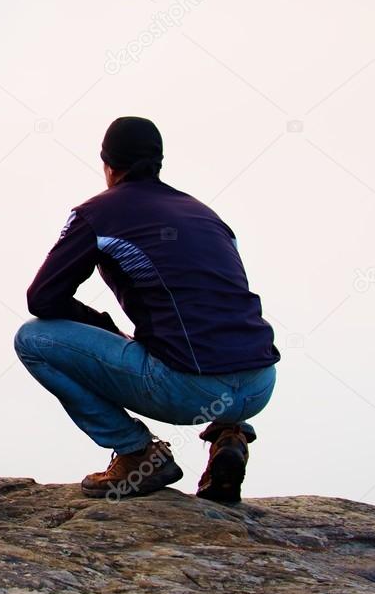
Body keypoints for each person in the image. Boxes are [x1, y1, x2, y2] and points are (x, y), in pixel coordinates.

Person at [14, 116, 280, 503]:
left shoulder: (97, 214)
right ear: (158, 163)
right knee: (208, 325)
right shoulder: (206, 215)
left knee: (32, 338)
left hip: (190, 390)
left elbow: (41, 299)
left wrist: (102, 325)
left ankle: (137, 453)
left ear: (108, 165)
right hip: (259, 384)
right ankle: (229, 434)